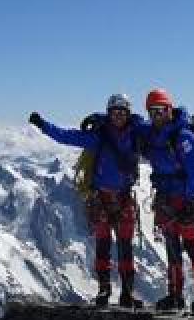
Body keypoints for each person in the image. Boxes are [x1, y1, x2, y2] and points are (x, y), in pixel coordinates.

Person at [28, 94, 143, 308]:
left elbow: (159, 137)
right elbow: (66, 136)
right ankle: (104, 290)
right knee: (103, 246)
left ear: (128, 114)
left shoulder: (137, 134)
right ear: (109, 114)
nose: (118, 116)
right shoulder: (98, 136)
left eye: (122, 112)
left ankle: (127, 293)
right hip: (103, 198)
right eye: (114, 112)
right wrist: (43, 125)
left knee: (126, 248)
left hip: (122, 198)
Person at [139, 88, 194, 314]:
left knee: (191, 246)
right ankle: (175, 295)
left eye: (161, 110)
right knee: (172, 249)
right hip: (165, 199)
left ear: (170, 109)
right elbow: (128, 125)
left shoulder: (184, 136)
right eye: (153, 111)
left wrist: (190, 202)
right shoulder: (153, 134)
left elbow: (193, 171)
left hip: (182, 199)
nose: (157, 115)